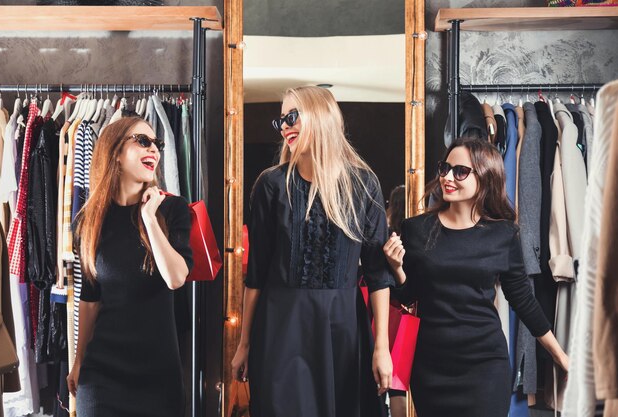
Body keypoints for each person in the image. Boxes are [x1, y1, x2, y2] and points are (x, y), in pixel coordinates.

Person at [231, 86, 395, 417]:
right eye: (281, 121)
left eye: (292, 117)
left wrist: (382, 348)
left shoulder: (363, 184)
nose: (285, 127)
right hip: (281, 328)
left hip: (344, 330)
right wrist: (244, 343)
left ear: (321, 117)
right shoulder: (270, 185)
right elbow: (257, 274)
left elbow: (378, 274)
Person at [383, 137, 569, 417]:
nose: (447, 177)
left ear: (485, 178)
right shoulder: (416, 229)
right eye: (445, 168)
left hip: (485, 365)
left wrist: (560, 356)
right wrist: (397, 269)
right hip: (431, 366)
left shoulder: (503, 234)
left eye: (460, 171)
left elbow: (523, 300)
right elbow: (408, 296)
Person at [66, 116, 193, 417]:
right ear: (116, 153)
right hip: (102, 375)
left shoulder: (172, 210)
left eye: (157, 144)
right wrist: (78, 360)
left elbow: (176, 278)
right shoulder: (89, 221)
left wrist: (149, 218)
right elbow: (90, 299)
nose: (155, 150)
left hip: (159, 377)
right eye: (143, 141)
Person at [385, 185, 408, 417]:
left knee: (392, 385)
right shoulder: (417, 234)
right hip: (408, 314)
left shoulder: (388, 236)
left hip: (387, 312)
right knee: (398, 384)